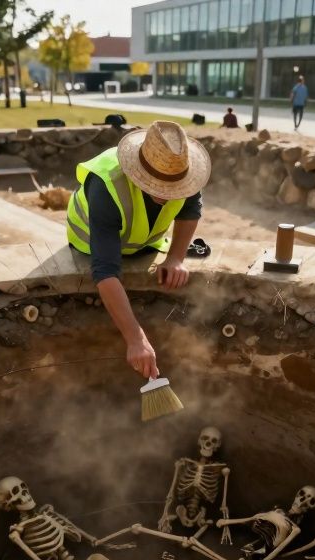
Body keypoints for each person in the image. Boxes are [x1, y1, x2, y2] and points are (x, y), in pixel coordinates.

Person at [65, 121, 212, 379]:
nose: (167, 195)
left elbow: (190, 212)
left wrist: (176, 258)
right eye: (158, 186)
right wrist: (136, 338)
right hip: (88, 241)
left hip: (143, 243)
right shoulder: (106, 184)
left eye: (173, 187)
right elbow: (105, 271)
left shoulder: (185, 173)